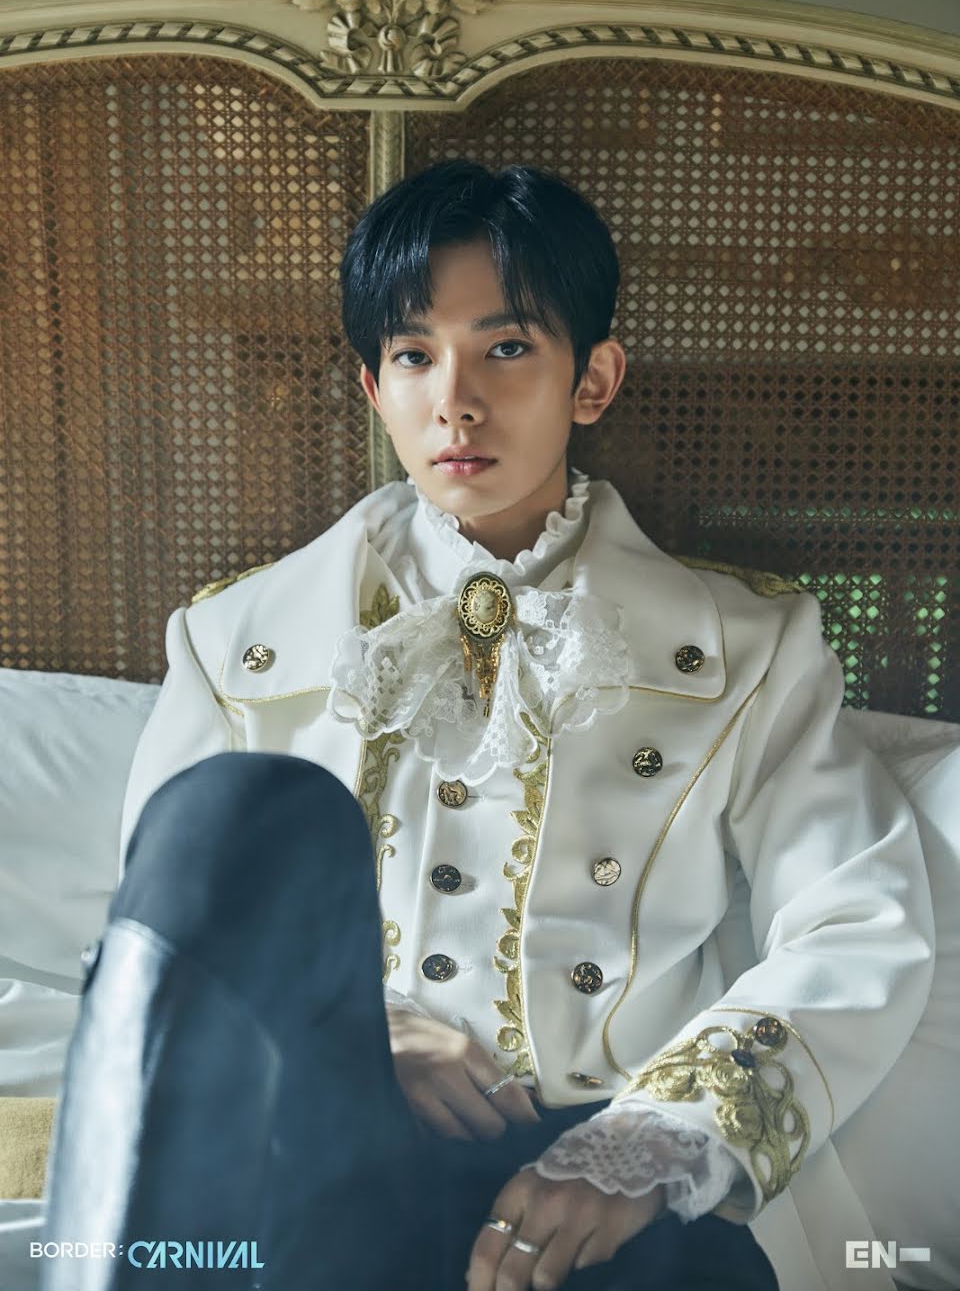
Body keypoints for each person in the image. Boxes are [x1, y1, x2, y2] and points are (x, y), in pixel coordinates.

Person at [40, 161, 934, 1291]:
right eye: (414, 356)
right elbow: (176, 934)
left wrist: (652, 1144)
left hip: (608, 1176)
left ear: (592, 379)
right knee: (227, 811)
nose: (454, 402)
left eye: (505, 347)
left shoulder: (751, 648)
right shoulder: (234, 643)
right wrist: (353, 1029)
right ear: (374, 389)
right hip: (311, 1155)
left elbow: (856, 919)